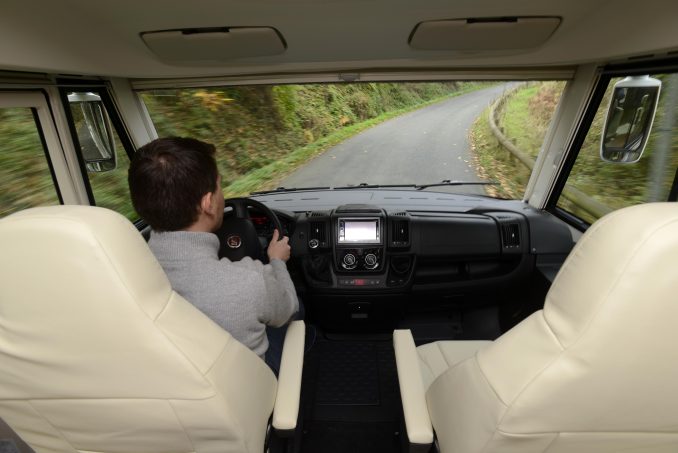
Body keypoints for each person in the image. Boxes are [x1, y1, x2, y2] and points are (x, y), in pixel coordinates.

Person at [128, 137, 299, 373]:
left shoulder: (125, 280)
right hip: (248, 388)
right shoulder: (250, 280)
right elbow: (289, 307)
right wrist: (277, 261)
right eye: (219, 186)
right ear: (208, 203)